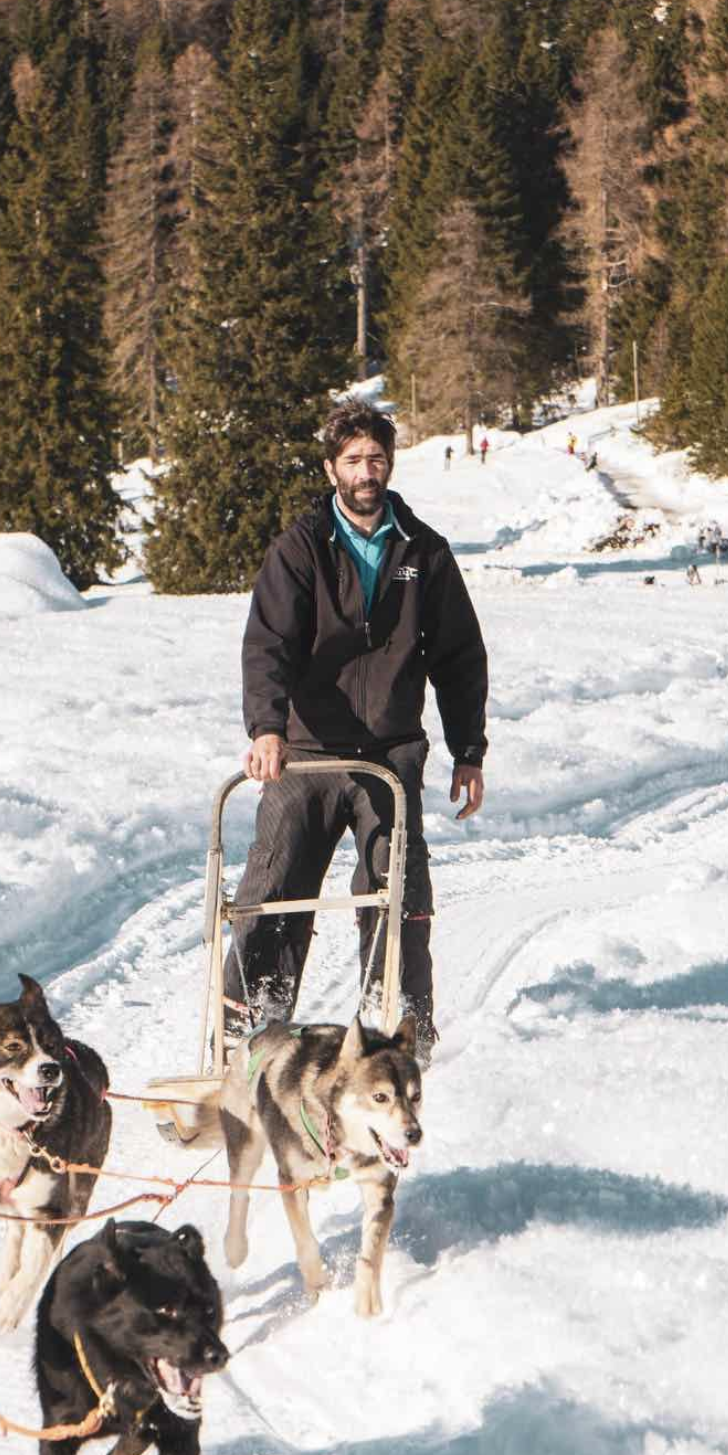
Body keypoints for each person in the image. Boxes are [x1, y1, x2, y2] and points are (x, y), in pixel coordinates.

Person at [222, 400, 488, 1066]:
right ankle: (247, 1028)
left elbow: (459, 656)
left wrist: (469, 750)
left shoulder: (423, 552)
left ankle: (397, 1028)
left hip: (389, 753)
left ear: (389, 465)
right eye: (352, 460)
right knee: (275, 890)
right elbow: (269, 645)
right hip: (306, 753)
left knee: (395, 891)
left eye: (376, 458)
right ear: (330, 468)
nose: (365, 471)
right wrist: (267, 727)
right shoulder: (301, 547)